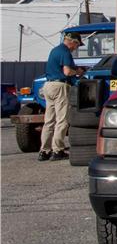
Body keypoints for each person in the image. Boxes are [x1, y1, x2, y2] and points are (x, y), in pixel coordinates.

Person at [39, 32, 86, 161]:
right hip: (60, 86)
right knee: (62, 120)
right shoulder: (65, 52)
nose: (76, 48)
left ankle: (44, 151)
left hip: (48, 85)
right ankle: (58, 150)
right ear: (73, 42)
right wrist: (77, 71)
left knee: (49, 121)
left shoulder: (54, 50)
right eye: (77, 45)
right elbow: (67, 71)